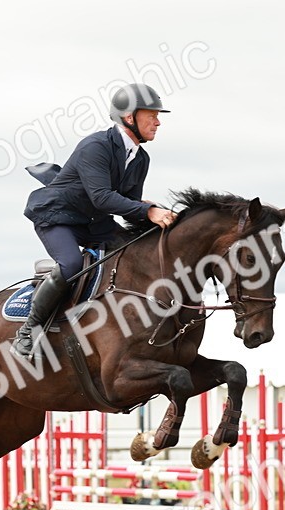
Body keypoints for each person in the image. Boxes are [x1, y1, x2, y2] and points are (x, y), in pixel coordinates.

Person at [13, 83, 178, 359]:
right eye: (152, 115)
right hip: (58, 216)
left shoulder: (141, 158)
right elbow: (102, 198)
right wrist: (147, 211)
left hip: (93, 221)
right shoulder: (96, 146)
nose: (158, 122)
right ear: (129, 117)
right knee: (72, 264)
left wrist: (152, 209)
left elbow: (128, 203)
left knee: (134, 253)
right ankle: (28, 331)